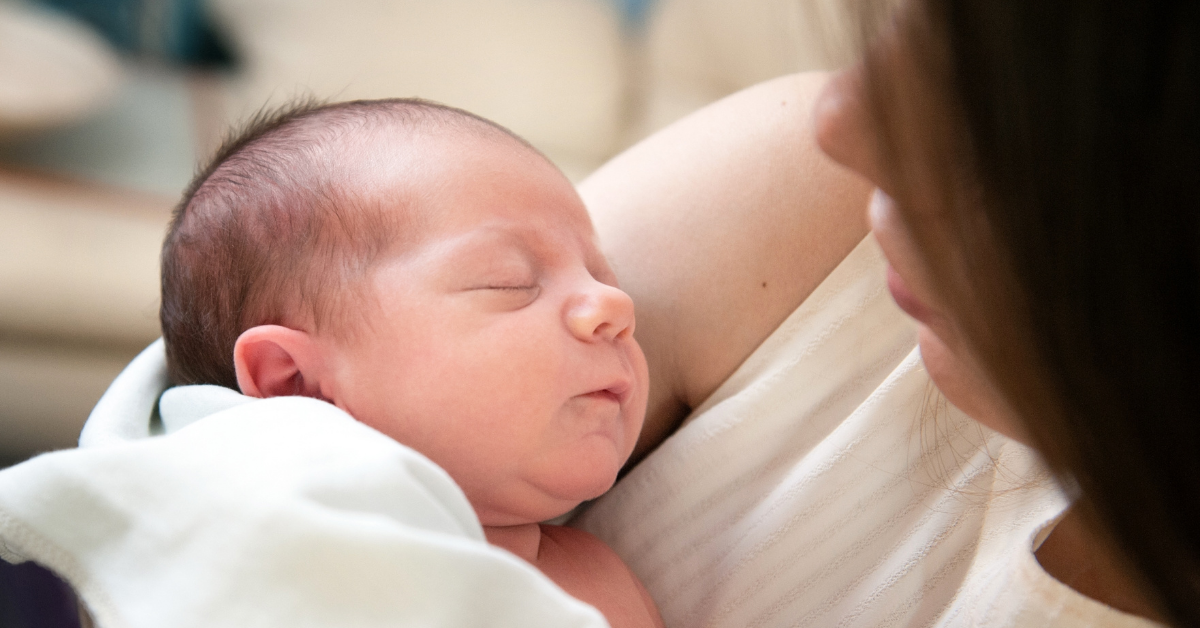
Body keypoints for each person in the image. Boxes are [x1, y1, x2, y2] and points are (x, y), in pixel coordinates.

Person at [159, 97, 661, 628]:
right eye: (508, 280)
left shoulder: (603, 576)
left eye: (604, 278)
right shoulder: (284, 580)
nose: (616, 307)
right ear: (296, 384)